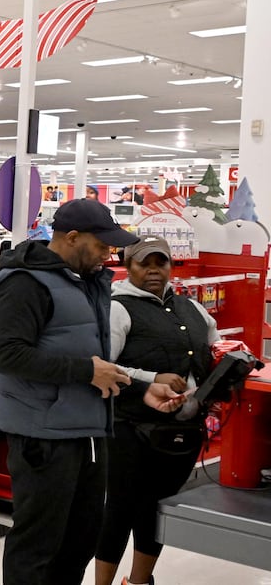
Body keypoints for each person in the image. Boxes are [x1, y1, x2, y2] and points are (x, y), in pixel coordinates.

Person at [0, 199, 186, 585]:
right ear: (73, 237)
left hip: (90, 432)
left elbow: (94, 361)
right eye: (101, 246)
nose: (107, 254)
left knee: (79, 542)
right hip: (43, 436)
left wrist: (139, 389)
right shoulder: (23, 283)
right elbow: (9, 355)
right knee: (38, 546)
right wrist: (86, 371)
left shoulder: (89, 283)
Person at [94, 236, 218, 585]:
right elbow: (102, 366)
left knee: (156, 509)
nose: (152, 270)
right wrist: (151, 378)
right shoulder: (117, 307)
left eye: (159, 262)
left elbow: (213, 349)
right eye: (143, 263)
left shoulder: (192, 309)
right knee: (119, 509)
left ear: (170, 266)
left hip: (181, 432)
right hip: (129, 429)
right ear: (127, 265)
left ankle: (139, 581)